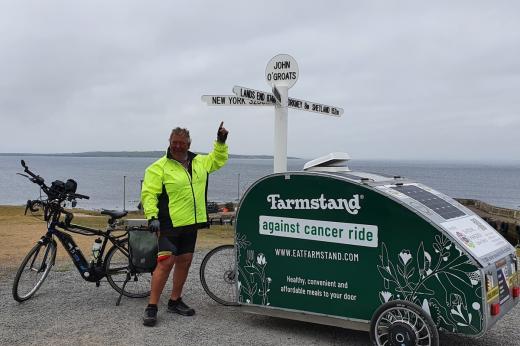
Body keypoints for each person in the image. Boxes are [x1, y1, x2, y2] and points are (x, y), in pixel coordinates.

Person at [141, 122, 229, 327]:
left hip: (191, 222)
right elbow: (149, 194)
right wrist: (152, 216)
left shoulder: (199, 162)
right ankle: (151, 307)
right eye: (174, 142)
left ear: (188, 144)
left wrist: (221, 141)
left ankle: (175, 300)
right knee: (165, 263)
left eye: (182, 143)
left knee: (185, 261)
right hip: (168, 223)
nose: (177, 146)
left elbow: (218, 160)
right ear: (169, 143)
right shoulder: (158, 167)